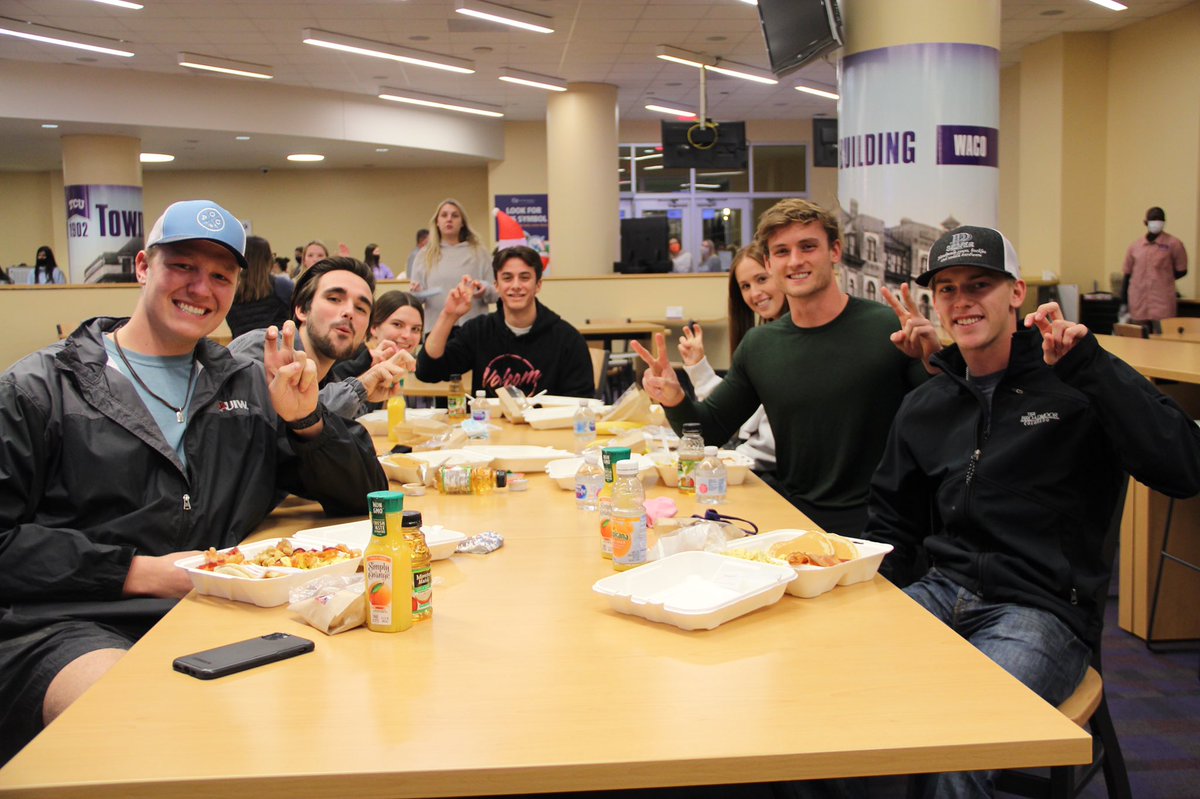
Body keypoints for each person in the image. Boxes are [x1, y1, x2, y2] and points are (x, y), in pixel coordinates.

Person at [0, 200, 387, 766]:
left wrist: (307, 422)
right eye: (182, 267)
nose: (200, 288)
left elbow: (364, 498)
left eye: (220, 276)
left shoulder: (249, 386)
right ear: (142, 268)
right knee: (131, 725)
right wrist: (139, 572)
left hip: (219, 616)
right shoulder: (42, 387)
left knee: (339, 718)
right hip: (71, 622)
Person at [865, 225, 1200, 798]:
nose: (962, 300)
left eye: (980, 284)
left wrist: (1094, 368)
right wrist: (873, 612)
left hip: (1039, 610)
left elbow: (1184, 469)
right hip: (941, 592)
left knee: (962, 748)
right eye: (946, 289)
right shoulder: (925, 405)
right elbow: (891, 523)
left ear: (1016, 293)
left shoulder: (1072, 383)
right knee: (831, 704)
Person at [633, 199, 928, 534]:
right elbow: (709, 429)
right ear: (770, 262)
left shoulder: (887, 328)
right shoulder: (761, 345)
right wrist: (673, 398)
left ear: (835, 251)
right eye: (782, 251)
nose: (796, 261)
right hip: (796, 521)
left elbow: (942, 421)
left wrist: (931, 360)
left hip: (882, 525)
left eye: (808, 247)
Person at [228, 257, 413, 420]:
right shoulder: (262, 350)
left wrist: (369, 392)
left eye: (361, 309)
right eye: (334, 299)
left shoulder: (330, 379)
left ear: (365, 333)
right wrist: (360, 387)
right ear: (301, 310)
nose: (349, 312)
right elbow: (272, 436)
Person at [416, 245, 593, 397]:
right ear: (497, 285)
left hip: (545, 434)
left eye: (524, 277)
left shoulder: (567, 339)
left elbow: (581, 401)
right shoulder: (479, 331)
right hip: (488, 433)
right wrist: (449, 315)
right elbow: (427, 371)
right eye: (507, 278)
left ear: (538, 285)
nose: (516, 285)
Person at [677, 244, 784, 473]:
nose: (754, 293)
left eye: (762, 279)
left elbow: (770, 445)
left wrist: (721, 462)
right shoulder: (760, 339)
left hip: (773, 478)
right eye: (745, 286)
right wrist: (698, 367)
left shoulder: (786, 342)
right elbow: (735, 415)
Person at [330, 290, 425, 408]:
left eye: (415, 329)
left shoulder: (398, 367)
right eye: (397, 324)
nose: (407, 335)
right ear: (374, 327)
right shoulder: (349, 355)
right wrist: (368, 360)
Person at [410, 200, 497, 326]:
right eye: (444, 215)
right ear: (437, 222)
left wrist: (484, 289)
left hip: (473, 330)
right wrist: (417, 293)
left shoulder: (480, 253)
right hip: (436, 330)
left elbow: (495, 294)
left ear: (462, 223)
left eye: (455, 215)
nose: (449, 219)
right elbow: (416, 300)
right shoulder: (424, 255)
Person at [1123, 206, 1188, 334]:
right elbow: (1127, 273)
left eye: (1159, 219)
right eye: (1153, 219)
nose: (1156, 222)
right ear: (1146, 222)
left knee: (1164, 335)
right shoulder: (1135, 246)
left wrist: (1164, 278)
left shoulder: (1174, 244)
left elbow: (1182, 270)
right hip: (1138, 299)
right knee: (1138, 337)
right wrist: (1123, 301)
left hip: (1162, 300)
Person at [224, 235, 293, 339]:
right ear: (267, 259)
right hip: (277, 348)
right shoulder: (282, 285)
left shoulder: (230, 290)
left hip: (241, 350)